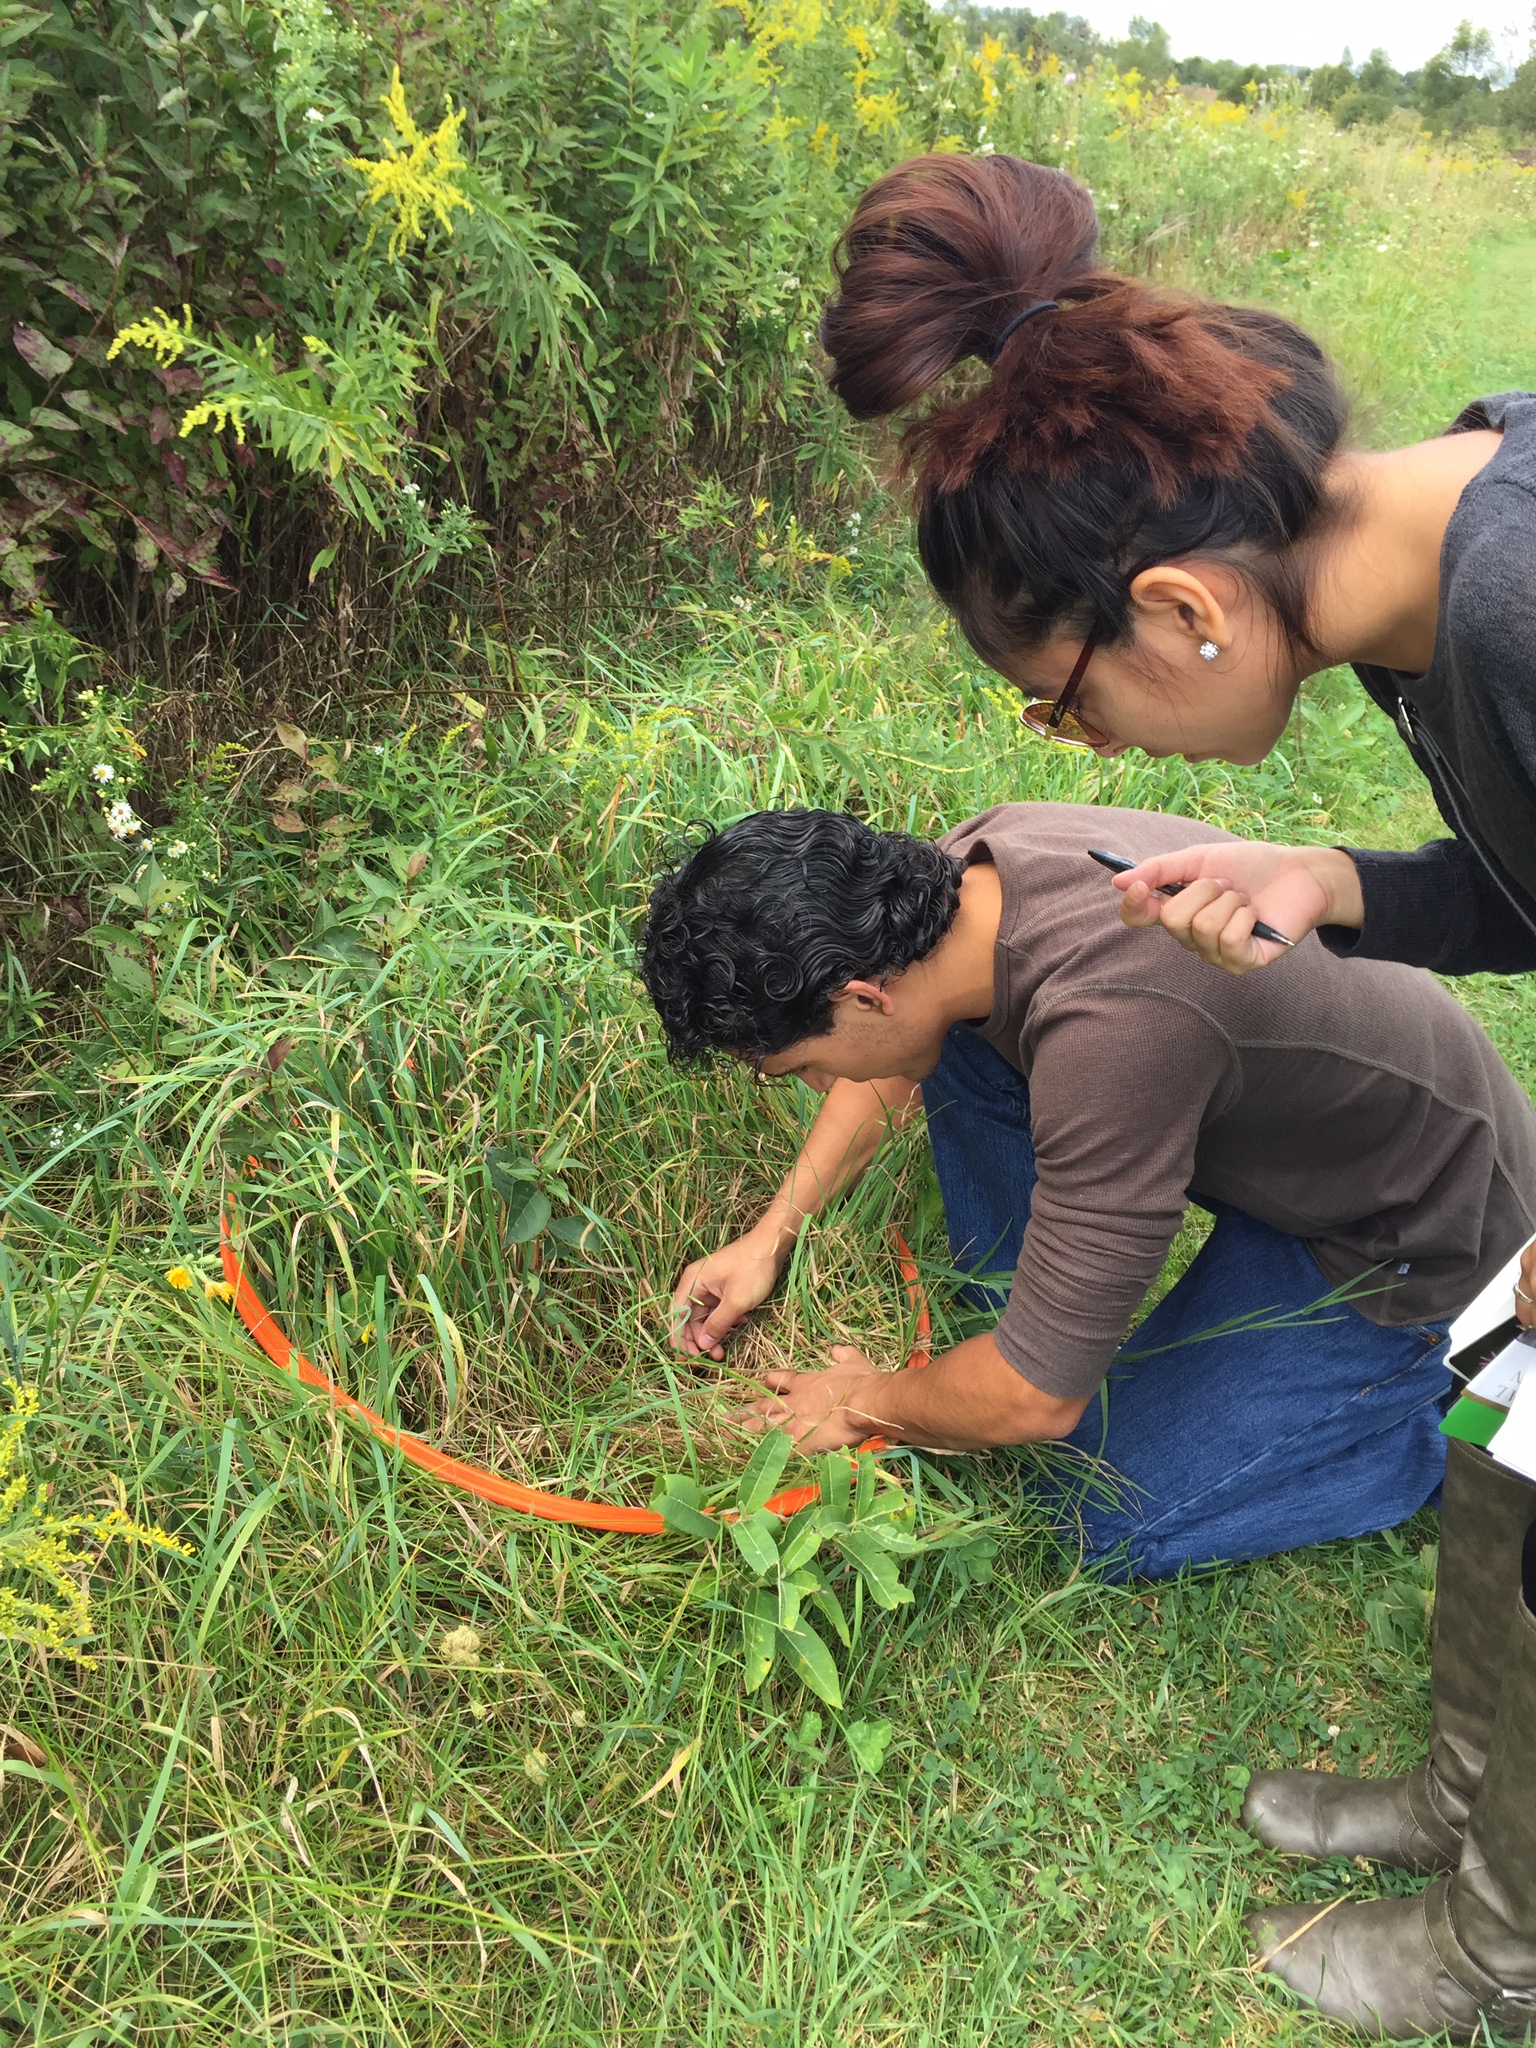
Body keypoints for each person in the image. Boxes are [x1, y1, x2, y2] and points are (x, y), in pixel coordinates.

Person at [638, 800, 1536, 2043]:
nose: (793, 1085)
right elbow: (897, 1054)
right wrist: (771, 1232)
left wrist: (871, 1403)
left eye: (788, 1065)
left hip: (1408, 1239)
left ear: (858, 987)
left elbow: (1033, 1403)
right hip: (1285, 1138)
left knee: (1101, 1503)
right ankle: (1053, 1299)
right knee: (958, 1053)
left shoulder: (1118, 1028)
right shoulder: (955, 884)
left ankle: (1418, 1414)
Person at [819, 151, 1536, 1331]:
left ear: (1183, 608)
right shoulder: (1412, 602)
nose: (1092, 749)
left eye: (1071, 700)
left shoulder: (1513, 598)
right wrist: (1330, 880)